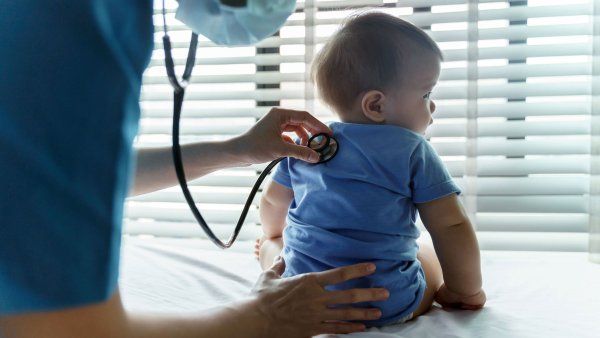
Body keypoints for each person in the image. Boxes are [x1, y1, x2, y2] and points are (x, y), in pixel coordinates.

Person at [0, 1, 390, 337]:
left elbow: (61, 172)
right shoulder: (74, 19)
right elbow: (71, 333)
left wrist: (237, 150)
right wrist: (268, 317)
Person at [256, 12, 487, 326]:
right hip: (384, 304)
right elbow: (452, 226)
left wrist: (273, 235)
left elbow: (272, 202)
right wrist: (465, 290)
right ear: (376, 105)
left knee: (276, 251)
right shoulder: (412, 150)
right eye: (426, 94)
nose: (432, 106)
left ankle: (268, 250)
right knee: (426, 253)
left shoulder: (308, 143)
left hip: (303, 298)